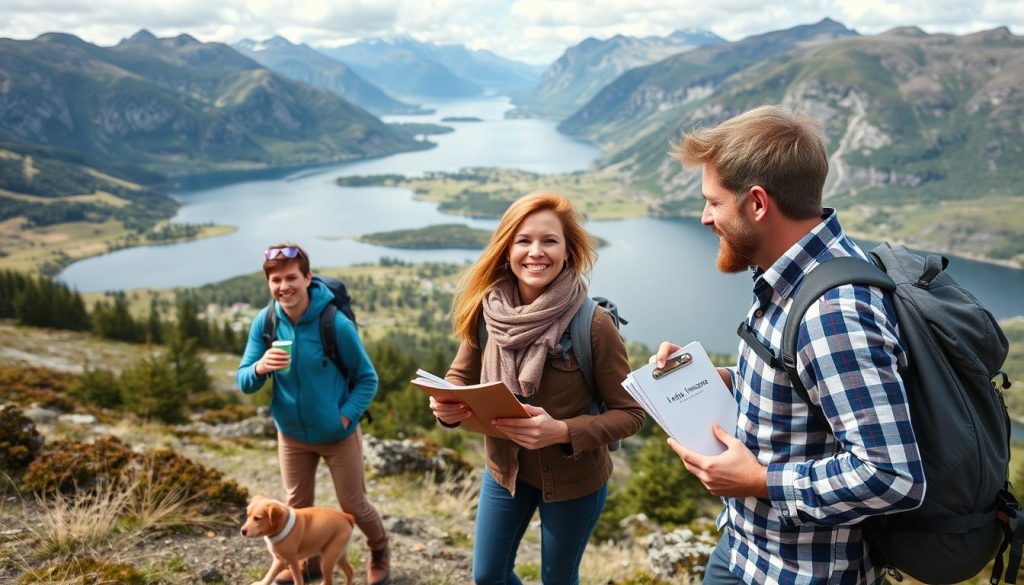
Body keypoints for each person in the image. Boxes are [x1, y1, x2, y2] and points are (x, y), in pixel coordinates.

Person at [654, 106, 926, 584]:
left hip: (798, 572)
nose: (704, 217)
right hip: (744, 546)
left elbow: (892, 476)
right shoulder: (796, 274)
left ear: (757, 203)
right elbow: (806, 388)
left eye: (714, 202)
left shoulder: (833, 311)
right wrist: (720, 382)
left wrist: (759, 481)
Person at [430, 192, 645, 585]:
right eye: (523, 240)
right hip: (504, 472)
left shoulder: (593, 325)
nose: (536, 252)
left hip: (574, 482)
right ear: (506, 249)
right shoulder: (486, 311)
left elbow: (632, 413)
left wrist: (562, 431)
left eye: (549, 241)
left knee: (559, 581)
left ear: (568, 251)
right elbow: (458, 377)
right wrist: (446, 405)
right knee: (487, 576)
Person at [236, 243, 391, 585]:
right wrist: (261, 367)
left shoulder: (334, 323)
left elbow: (367, 378)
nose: (284, 286)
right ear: (269, 284)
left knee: (353, 503)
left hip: (338, 434)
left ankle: (379, 548)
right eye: (276, 280)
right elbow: (243, 380)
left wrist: (346, 417)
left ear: (307, 278)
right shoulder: (266, 322)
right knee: (295, 505)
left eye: (291, 277)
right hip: (291, 435)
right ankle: (303, 563)